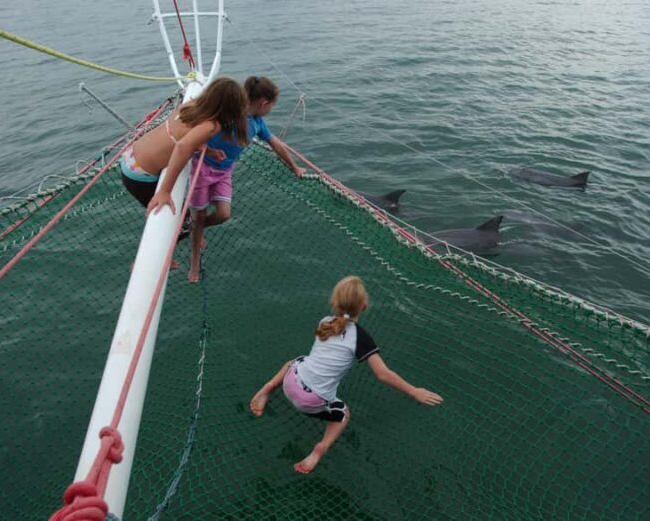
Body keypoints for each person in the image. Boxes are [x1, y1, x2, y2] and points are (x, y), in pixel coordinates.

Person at [249, 276, 443, 474]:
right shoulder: (361, 338)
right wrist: (414, 391)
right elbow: (382, 374)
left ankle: (267, 388)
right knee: (343, 414)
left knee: (297, 360)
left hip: (289, 382)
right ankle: (320, 449)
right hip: (308, 401)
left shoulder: (325, 321)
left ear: (334, 302)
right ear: (364, 305)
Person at [149, 75, 306, 283]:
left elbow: (276, 144)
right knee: (201, 214)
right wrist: (211, 151)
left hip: (224, 173)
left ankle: (196, 227)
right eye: (271, 106)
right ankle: (195, 261)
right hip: (202, 171)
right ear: (263, 103)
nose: (269, 111)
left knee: (223, 214)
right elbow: (193, 138)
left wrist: (295, 168)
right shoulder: (228, 116)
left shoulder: (258, 123)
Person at [119, 76, 249, 267]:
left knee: (184, 217)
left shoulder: (192, 106)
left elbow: (183, 135)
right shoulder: (212, 125)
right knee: (186, 222)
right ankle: (147, 261)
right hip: (141, 176)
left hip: (131, 157)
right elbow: (182, 147)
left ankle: (174, 245)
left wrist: (210, 151)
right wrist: (164, 190)